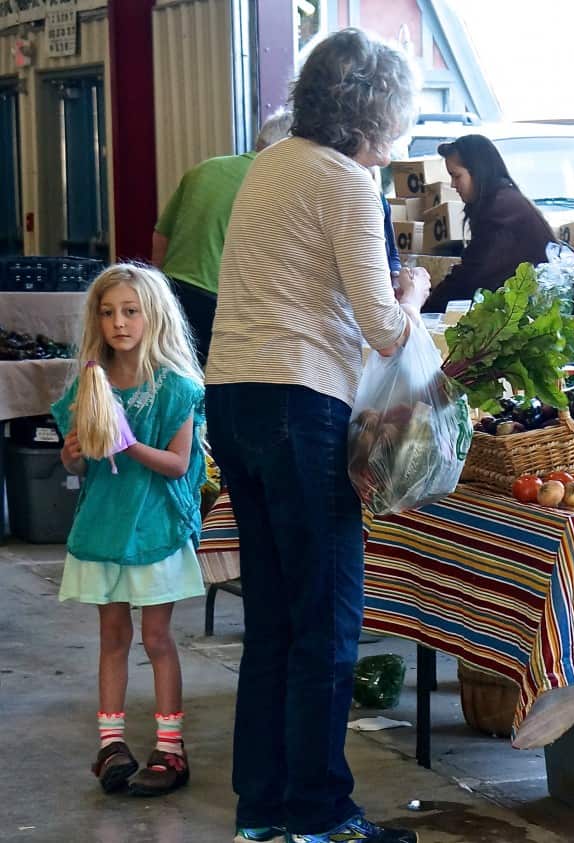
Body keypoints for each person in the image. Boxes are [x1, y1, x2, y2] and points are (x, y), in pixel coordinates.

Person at [205, 28, 430, 843]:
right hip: (301, 404)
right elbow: (381, 328)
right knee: (328, 621)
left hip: (232, 395)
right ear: (377, 108)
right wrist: (416, 288)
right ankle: (323, 814)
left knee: (271, 619)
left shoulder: (271, 162)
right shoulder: (343, 180)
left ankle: (262, 810)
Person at [51, 263, 207, 798]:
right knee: (112, 637)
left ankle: (171, 748)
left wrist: (126, 443)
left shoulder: (177, 388)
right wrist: (73, 456)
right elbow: (81, 469)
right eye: (108, 311)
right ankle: (111, 745)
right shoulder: (87, 385)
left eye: (130, 311)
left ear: (153, 316)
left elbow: (180, 465)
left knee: (158, 638)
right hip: (104, 530)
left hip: (156, 531)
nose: (119, 322)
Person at [151, 112, 294, 364]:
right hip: (224, 305)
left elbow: (161, 236)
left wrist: (158, 289)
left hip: (171, 292)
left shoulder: (205, 168)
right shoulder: (275, 181)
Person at [420, 133, 556, 313]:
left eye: (456, 176)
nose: (453, 185)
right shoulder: (500, 201)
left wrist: (424, 310)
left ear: (477, 171)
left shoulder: (501, 208)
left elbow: (472, 273)